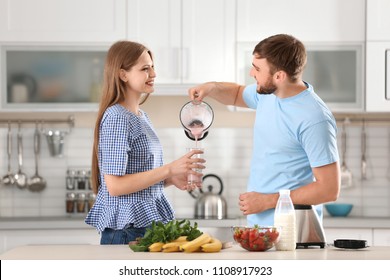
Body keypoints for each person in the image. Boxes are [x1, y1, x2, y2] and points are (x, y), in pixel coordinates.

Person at [188, 34, 340, 226]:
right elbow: (236, 94)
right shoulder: (269, 94)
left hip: (293, 233)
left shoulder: (314, 119)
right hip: (260, 229)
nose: (252, 73)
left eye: (257, 68)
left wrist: (267, 201)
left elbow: (329, 189)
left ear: (279, 76)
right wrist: (211, 87)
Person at [85, 41, 205, 244]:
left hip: (142, 226)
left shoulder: (141, 116)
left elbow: (136, 178)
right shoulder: (117, 117)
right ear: (123, 74)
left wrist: (170, 179)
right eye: (145, 68)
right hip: (127, 230)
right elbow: (115, 186)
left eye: (152, 66)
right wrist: (168, 170)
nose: (154, 74)